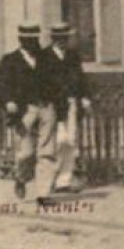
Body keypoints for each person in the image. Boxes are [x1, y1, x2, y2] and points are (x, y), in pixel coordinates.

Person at [0, 23, 59, 200]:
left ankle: (43, 193)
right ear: (20, 40)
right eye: (27, 40)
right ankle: (21, 178)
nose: (32, 43)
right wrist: (9, 102)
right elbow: (0, 85)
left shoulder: (46, 58)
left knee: (47, 151)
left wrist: (58, 103)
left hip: (47, 107)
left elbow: (58, 81)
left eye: (34, 39)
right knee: (26, 152)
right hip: (25, 110)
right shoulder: (10, 60)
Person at [46, 22, 94, 194]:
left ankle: (63, 181)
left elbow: (81, 79)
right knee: (58, 141)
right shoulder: (45, 56)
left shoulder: (73, 56)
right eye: (59, 38)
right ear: (53, 39)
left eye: (65, 38)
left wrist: (85, 98)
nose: (62, 41)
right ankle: (50, 177)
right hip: (52, 106)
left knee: (71, 141)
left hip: (71, 103)